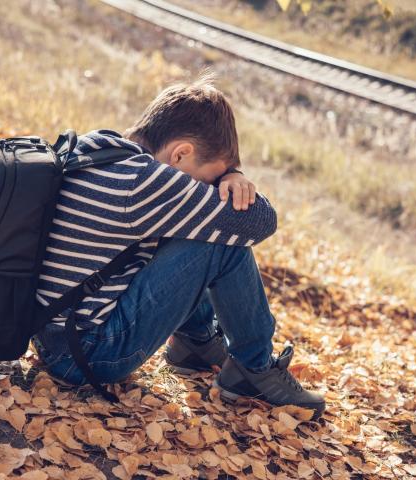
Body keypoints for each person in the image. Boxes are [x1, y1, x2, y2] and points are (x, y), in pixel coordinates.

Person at [32, 75, 325, 419]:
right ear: (181, 153)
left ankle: (196, 343)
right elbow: (260, 221)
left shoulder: (99, 149)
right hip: (91, 355)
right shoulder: (144, 183)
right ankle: (253, 368)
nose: (214, 186)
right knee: (222, 246)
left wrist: (226, 173)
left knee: (195, 225)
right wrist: (234, 177)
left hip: (54, 336)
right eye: (209, 179)